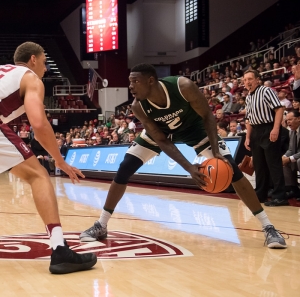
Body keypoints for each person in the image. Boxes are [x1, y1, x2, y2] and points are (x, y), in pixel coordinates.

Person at [80, 63, 287, 249]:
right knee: (125, 168)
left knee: (231, 169)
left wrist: (215, 152)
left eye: (135, 81)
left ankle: (268, 228)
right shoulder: (137, 105)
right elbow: (162, 140)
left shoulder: (183, 86)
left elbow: (207, 116)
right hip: (161, 132)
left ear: (151, 81)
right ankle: (102, 224)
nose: (131, 87)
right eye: (130, 82)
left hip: (194, 128)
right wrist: (189, 167)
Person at [0, 42, 96, 274]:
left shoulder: (5, 71)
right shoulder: (31, 77)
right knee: (39, 175)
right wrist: (59, 160)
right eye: (44, 63)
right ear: (33, 59)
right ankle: (60, 249)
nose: (45, 69)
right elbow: (40, 123)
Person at [243, 69, 287, 206]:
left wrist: (275, 128)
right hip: (256, 131)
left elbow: (279, 109)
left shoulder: (266, 91)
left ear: (257, 79)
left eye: (250, 79)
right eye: (245, 80)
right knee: (259, 165)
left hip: (268, 128)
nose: (247, 82)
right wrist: (248, 137)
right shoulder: (248, 97)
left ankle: (280, 196)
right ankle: (260, 194)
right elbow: (249, 119)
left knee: (273, 164)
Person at [282, 111, 300, 201]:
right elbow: (290, 150)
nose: (288, 122)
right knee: (284, 161)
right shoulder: (291, 132)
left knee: (298, 161)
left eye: (290, 119)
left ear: (298, 119)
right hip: (297, 157)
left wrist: (290, 158)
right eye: (287, 120)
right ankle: (294, 189)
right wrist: (284, 157)